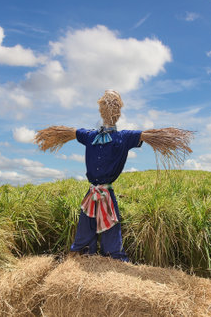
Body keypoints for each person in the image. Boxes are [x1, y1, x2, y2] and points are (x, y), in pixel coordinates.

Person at [35, 90, 193, 261]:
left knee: (111, 225)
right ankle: (82, 254)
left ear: (118, 111)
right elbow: (70, 132)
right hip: (92, 192)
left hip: (106, 192)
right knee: (86, 224)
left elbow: (146, 135)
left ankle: (113, 258)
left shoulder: (125, 137)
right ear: (101, 110)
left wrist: (165, 138)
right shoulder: (90, 135)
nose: (108, 110)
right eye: (105, 106)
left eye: (113, 106)